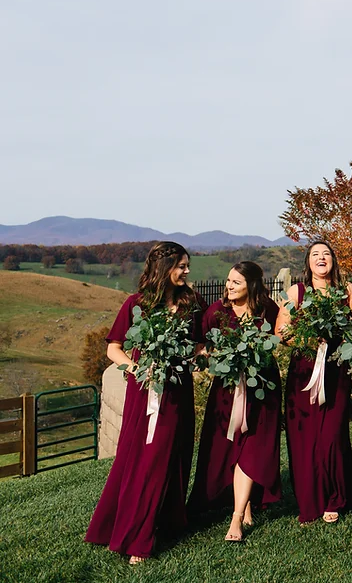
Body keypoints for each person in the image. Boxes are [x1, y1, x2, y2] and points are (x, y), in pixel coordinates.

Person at [85, 241, 203, 564]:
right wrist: (137, 368)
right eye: (181, 266)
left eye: (187, 265)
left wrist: (199, 353)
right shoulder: (136, 304)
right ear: (164, 267)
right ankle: (136, 536)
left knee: (173, 457)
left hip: (178, 391)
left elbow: (198, 343)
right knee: (145, 459)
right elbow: (113, 348)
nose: (187, 271)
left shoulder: (192, 301)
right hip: (146, 393)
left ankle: (165, 522)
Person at [189, 261, 282, 542]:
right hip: (227, 389)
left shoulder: (268, 310)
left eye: (236, 283)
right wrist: (215, 355)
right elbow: (200, 345)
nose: (229, 286)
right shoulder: (217, 312)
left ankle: (237, 517)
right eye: (228, 281)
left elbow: (277, 339)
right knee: (230, 447)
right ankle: (246, 501)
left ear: (251, 286)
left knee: (253, 448)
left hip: (262, 387)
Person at [275, 240, 352, 525]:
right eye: (315, 255)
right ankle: (310, 499)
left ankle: (336, 496)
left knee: (333, 435)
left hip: (336, 369)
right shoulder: (296, 292)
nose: (321, 258)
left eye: (326, 254)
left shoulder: (347, 291)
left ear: (333, 260)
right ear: (308, 263)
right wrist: (308, 339)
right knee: (305, 437)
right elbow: (281, 331)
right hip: (304, 372)